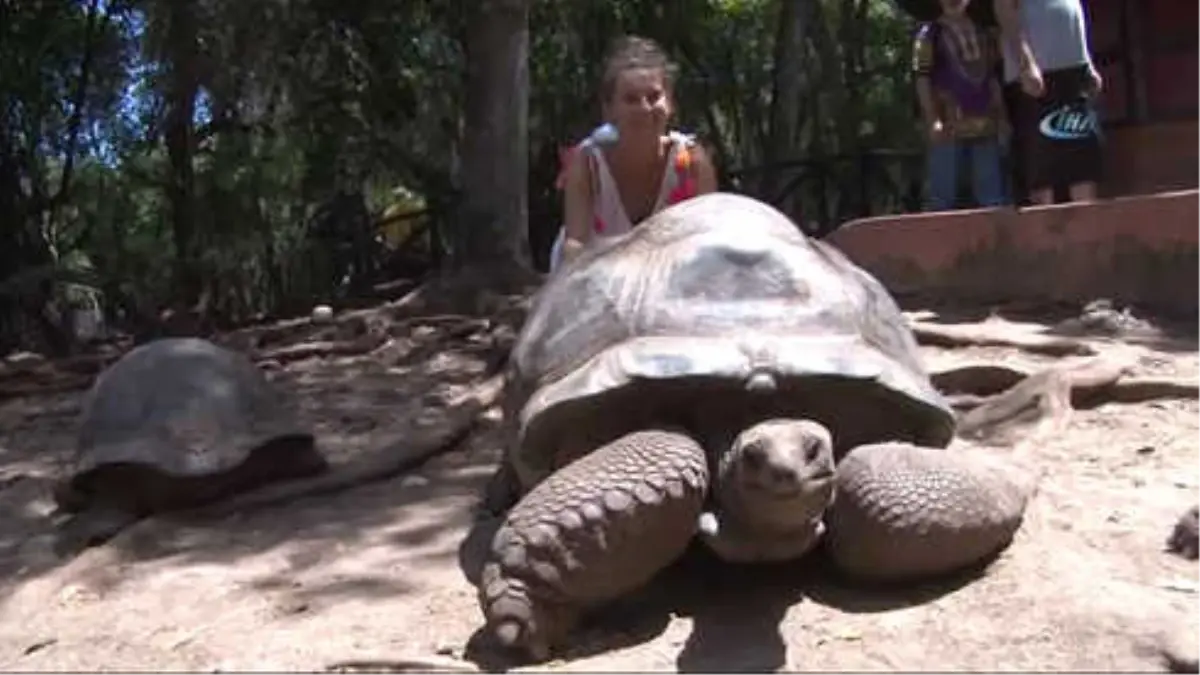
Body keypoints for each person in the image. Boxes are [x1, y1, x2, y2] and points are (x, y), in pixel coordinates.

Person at [549, 36, 718, 273]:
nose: (645, 108)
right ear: (609, 110)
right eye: (631, 99)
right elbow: (576, 245)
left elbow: (707, 244)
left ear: (670, 104)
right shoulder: (587, 164)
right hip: (593, 280)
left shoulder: (693, 163)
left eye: (654, 97)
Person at [994, 0, 1103, 205]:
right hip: (1038, 78)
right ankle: (1044, 231)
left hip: (1074, 73)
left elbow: (1073, 15)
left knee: (1083, 162)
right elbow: (1004, 11)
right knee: (1041, 167)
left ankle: (1089, 232)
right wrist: (1026, 65)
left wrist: (1087, 62)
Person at [912, 0, 1010, 212]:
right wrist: (932, 119)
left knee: (992, 196)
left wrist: (1002, 117)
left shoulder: (982, 31)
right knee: (941, 197)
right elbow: (921, 78)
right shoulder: (927, 33)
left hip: (985, 122)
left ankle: (998, 241)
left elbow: (992, 77)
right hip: (948, 123)